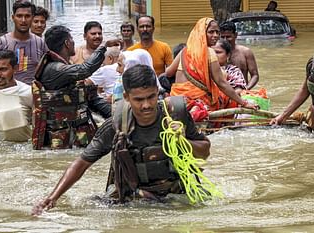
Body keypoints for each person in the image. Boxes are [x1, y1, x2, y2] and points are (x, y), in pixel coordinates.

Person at [31, 64, 211, 215]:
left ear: (158, 92)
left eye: (151, 97)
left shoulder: (175, 115)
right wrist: (52, 198)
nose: (146, 105)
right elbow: (81, 163)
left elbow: (205, 151)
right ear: (126, 97)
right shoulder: (117, 125)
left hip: (177, 195)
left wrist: (181, 141)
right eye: (139, 99)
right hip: (134, 198)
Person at [32, 25, 119, 149]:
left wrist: (116, 115)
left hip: (74, 135)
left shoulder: (65, 66)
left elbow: (88, 97)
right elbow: (85, 69)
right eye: (72, 39)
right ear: (67, 43)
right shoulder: (55, 69)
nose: (74, 43)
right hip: (59, 140)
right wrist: (103, 47)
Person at [166, 17, 257, 120]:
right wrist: (244, 103)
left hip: (176, 98)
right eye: (211, 32)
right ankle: (227, 124)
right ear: (201, 33)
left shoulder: (184, 51)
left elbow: (168, 73)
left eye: (217, 32)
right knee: (229, 99)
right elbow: (221, 83)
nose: (215, 36)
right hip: (197, 100)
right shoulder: (209, 52)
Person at [220, 21, 259, 90]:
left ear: (235, 35)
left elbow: (255, 75)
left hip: (242, 91)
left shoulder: (246, 52)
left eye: (228, 37)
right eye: (222, 37)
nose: (225, 40)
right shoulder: (215, 53)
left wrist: (246, 89)